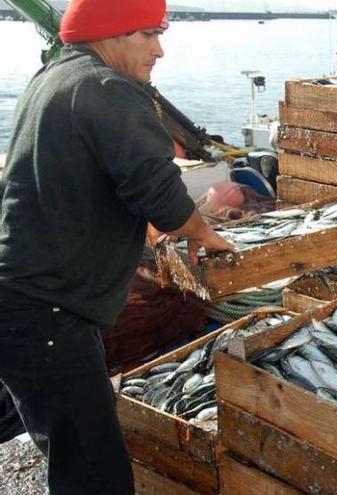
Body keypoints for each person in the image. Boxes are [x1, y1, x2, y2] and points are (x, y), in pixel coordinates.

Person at [0, 0, 234, 493]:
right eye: (148, 35)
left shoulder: (57, 78)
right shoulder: (107, 88)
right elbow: (157, 190)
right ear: (111, 33)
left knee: (70, 446)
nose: (160, 50)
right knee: (95, 472)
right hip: (47, 313)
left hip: (29, 303)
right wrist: (202, 231)